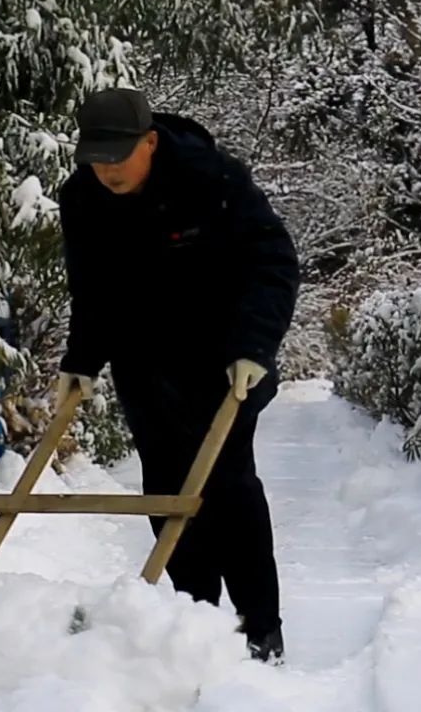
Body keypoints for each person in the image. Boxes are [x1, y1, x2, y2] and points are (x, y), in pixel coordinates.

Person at [54, 87, 300, 664]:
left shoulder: (211, 180)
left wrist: (254, 346)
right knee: (166, 489)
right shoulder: (83, 197)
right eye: (96, 158)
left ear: (150, 141)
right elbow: (93, 289)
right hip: (144, 361)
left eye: (119, 156)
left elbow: (273, 262)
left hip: (227, 359)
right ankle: (193, 623)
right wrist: (81, 360)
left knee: (226, 487)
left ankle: (260, 630)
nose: (108, 170)